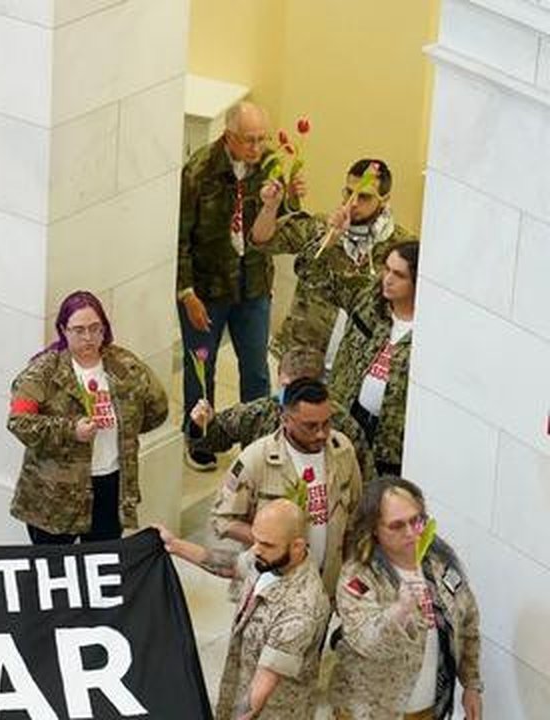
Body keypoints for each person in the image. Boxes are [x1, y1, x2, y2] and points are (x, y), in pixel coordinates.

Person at [178, 101, 296, 471]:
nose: (257, 148)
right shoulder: (199, 171)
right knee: (202, 365)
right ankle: (200, 435)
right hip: (207, 287)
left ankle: (257, 440)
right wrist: (186, 292)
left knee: (256, 368)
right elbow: (178, 237)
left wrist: (291, 196)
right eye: (249, 140)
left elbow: (285, 220)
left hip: (253, 284)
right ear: (229, 137)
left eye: (262, 139)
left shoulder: (270, 166)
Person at [8, 291, 168, 544]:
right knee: (55, 570)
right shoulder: (42, 372)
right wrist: (70, 431)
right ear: (63, 330)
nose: (88, 337)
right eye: (79, 330)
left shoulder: (124, 365)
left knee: (100, 563)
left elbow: (157, 408)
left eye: (95, 329)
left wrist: (126, 430)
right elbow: (19, 422)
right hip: (54, 496)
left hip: (110, 483)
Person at [158, 499, 330, 720]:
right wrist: (175, 545)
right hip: (239, 686)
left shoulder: (301, 610)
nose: (256, 549)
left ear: (297, 546)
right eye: (255, 540)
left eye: (266, 544)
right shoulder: (270, 559)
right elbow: (231, 564)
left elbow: (260, 691)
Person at [331, 477, 482, 719]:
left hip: (427, 710)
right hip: (372, 712)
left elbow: (468, 623)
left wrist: (471, 684)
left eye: (416, 521)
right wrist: (399, 610)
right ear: (374, 530)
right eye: (397, 526)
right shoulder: (359, 577)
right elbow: (366, 641)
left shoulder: (440, 565)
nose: (411, 533)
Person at [252, 158, 415, 367]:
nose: (352, 203)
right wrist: (270, 208)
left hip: (357, 365)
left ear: (384, 199)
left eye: (363, 196)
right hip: (303, 359)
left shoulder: (400, 247)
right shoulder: (321, 227)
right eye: (348, 193)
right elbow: (262, 241)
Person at [210, 378, 363, 595]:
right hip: (272, 586)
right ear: (285, 419)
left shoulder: (342, 451)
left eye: (327, 423)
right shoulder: (256, 460)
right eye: (310, 426)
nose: (321, 433)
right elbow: (222, 520)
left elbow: (355, 514)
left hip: (325, 583)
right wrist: (271, 541)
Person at [308, 241, 420, 476]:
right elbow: (313, 274)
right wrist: (329, 237)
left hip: (390, 444)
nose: (387, 279)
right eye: (386, 269)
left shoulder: (429, 331)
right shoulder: (368, 300)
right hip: (348, 419)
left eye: (398, 275)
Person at [190, 347, 372, 479]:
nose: (291, 396)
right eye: (286, 386)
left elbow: (364, 481)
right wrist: (203, 424)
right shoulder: (259, 413)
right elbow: (214, 439)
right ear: (278, 378)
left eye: (300, 389)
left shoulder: (343, 428)